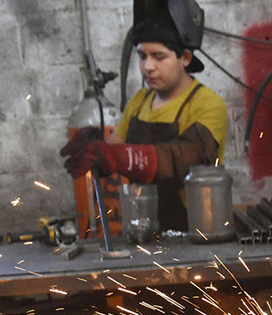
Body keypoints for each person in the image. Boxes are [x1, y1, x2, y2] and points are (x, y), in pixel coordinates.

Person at [60, 0, 227, 232]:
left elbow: (185, 158)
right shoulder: (139, 102)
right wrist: (97, 148)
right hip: (146, 231)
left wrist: (117, 156)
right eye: (142, 56)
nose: (148, 67)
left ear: (185, 57)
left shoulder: (207, 104)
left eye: (159, 57)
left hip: (196, 231)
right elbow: (115, 150)